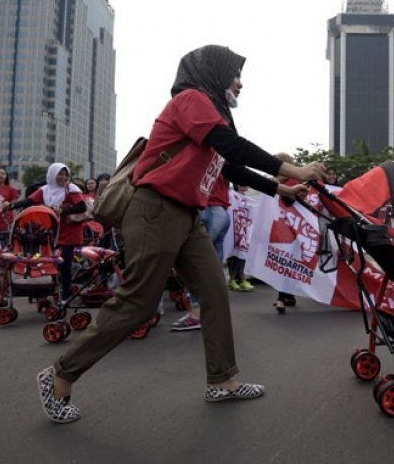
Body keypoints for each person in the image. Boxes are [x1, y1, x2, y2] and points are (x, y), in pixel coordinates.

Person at [33, 44, 326, 423]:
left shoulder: (213, 115)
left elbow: (230, 166)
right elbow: (231, 148)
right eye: (235, 75)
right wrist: (295, 169)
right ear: (215, 73)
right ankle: (60, 374)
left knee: (214, 291)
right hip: (156, 208)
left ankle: (221, 380)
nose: (240, 84)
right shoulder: (192, 99)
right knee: (137, 302)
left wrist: (281, 189)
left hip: (186, 215)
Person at [5, 163, 87, 303]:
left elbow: (82, 207)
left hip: (70, 232)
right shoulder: (45, 190)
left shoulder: (72, 189)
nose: (63, 177)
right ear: (52, 175)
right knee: (49, 263)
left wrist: (63, 211)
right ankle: (53, 290)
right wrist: (11, 205)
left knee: (64, 264)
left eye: (65, 174)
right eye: (59, 174)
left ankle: (65, 295)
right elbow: (29, 201)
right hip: (51, 232)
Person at [170, 175, 233, 331]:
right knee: (214, 268)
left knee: (195, 264)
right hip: (222, 211)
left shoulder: (206, 152)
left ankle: (197, 312)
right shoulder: (223, 157)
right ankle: (215, 313)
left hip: (208, 208)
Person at [272, 152, 299, 314]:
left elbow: (290, 200)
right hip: (285, 227)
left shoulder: (292, 182)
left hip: (293, 228)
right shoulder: (284, 182)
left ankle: (282, 298)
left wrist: (277, 185)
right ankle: (288, 296)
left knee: (285, 261)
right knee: (287, 262)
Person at [227, 184, 255, 292]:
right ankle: (234, 280)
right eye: (245, 183)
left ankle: (239, 280)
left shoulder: (247, 199)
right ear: (239, 185)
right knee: (234, 256)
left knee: (242, 255)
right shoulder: (231, 195)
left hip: (243, 230)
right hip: (234, 229)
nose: (247, 185)